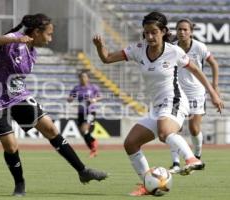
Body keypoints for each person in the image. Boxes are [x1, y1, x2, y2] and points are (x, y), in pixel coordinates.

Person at [93, 11, 223, 196]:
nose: (150, 36)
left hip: (175, 100)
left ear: (163, 31)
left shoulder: (174, 51)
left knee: (164, 132)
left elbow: (196, 70)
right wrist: (100, 47)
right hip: (158, 107)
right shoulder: (138, 49)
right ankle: (148, 183)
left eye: (154, 32)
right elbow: (106, 58)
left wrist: (213, 93)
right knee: (130, 143)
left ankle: (192, 159)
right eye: (146, 33)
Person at [0, 13, 107, 197]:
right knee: (10, 146)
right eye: (48, 34)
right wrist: (16, 38)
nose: (50, 39)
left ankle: (83, 171)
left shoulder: (33, 52)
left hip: (18, 96)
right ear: (36, 32)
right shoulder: (14, 40)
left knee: (50, 128)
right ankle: (19, 184)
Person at [169, 18, 220, 174]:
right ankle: (176, 163)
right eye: (179, 29)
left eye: (185, 29)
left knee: (193, 128)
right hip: (177, 92)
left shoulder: (199, 47)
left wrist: (214, 88)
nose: (182, 32)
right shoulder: (172, 48)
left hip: (196, 92)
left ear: (191, 32)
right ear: (176, 31)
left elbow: (214, 64)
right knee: (173, 129)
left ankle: (196, 157)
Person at [67, 70, 102, 158]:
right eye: (81, 77)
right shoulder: (77, 88)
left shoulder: (93, 87)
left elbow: (100, 96)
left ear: (88, 78)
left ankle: (94, 143)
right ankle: (93, 149)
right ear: (79, 78)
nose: (83, 78)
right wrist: (70, 99)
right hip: (81, 112)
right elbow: (71, 96)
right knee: (83, 133)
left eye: (85, 77)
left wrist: (94, 100)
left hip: (90, 111)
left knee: (84, 129)